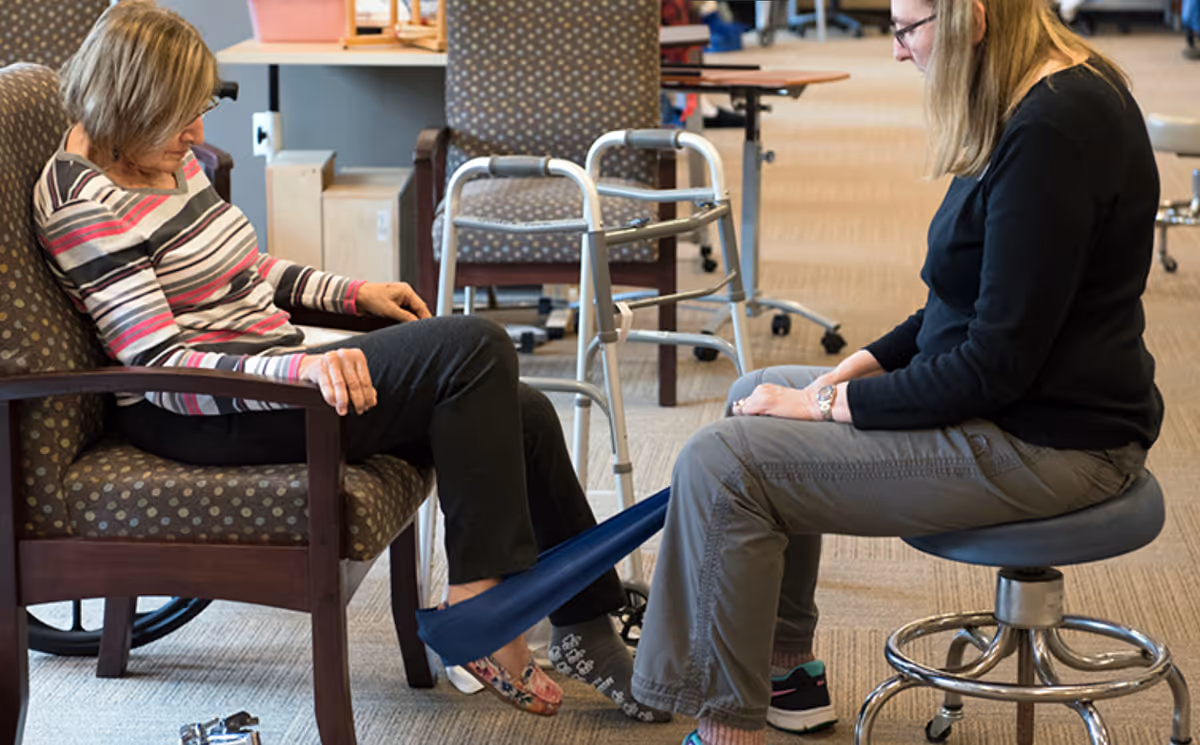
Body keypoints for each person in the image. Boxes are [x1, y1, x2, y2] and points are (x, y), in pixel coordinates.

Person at [33, 0, 670, 724]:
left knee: (519, 411)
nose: (197, 134)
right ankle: (479, 615)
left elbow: (245, 272)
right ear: (128, 102)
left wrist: (353, 294)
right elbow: (160, 361)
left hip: (268, 373)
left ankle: (588, 621)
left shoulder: (154, 154)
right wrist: (301, 372)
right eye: (179, 117)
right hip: (201, 413)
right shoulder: (83, 199)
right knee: (476, 347)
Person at [630, 1, 1163, 743]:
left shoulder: (1051, 133)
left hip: (1053, 444)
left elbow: (992, 368)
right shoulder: (1029, 99)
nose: (899, 52)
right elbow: (961, 304)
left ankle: (726, 728)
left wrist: (831, 406)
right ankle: (785, 672)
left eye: (908, 28)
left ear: (969, 18)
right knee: (757, 393)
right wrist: (852, 369)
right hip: (1027, 408)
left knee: (724, 465)